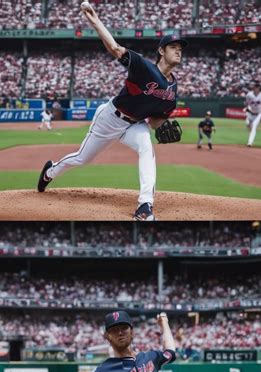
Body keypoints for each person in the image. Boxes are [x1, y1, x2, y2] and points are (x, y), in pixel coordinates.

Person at [37, 2, 187, 221]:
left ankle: (145, 206)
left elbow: (155, 122)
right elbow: (115, 49)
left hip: (134, 125)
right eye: (173, 47)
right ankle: (50, 171)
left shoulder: (173, 89)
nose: (179, 50)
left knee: (146, 148)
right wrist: (95, 20)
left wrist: (161, 126)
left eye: (180, 48)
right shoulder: (144, 67)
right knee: (82, 158)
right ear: (161, 51)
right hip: (110, 118)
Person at [244, 82, 261, 147]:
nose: (255, 88)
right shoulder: (249, 95)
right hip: (250, 113)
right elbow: (246, 103)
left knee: (254, 126)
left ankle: (250, 142)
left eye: (256, 87)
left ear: (259, 88)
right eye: (254, 87)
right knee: (248, 124)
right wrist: (247, 109)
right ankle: (250, 130)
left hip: (258, 114)